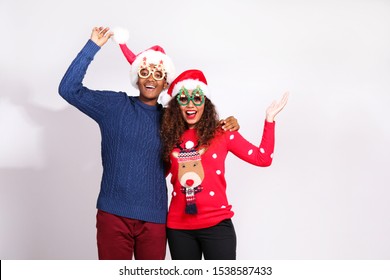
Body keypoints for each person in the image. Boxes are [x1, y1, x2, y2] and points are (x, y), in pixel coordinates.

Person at [58, 27, 239, 260]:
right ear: (136, 78)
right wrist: (92, 47)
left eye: (158, 74)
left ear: (165, 83)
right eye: (145, 72)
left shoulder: (172, 121)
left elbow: (200, 134)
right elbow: (68, 90)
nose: (151, 78)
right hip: (113, 215)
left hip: (155, 219)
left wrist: (228, 123)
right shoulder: (114, 106)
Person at [160, 69, 289, 260]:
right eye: (183, 99)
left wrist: (269, 120)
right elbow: (156, 174)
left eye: (197, 98)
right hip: (179, 229)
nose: (190, 104)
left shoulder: (222, 133)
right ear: (175, 104)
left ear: (206, 103)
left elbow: (263, 159)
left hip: (217, 226)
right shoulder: (169, 137)